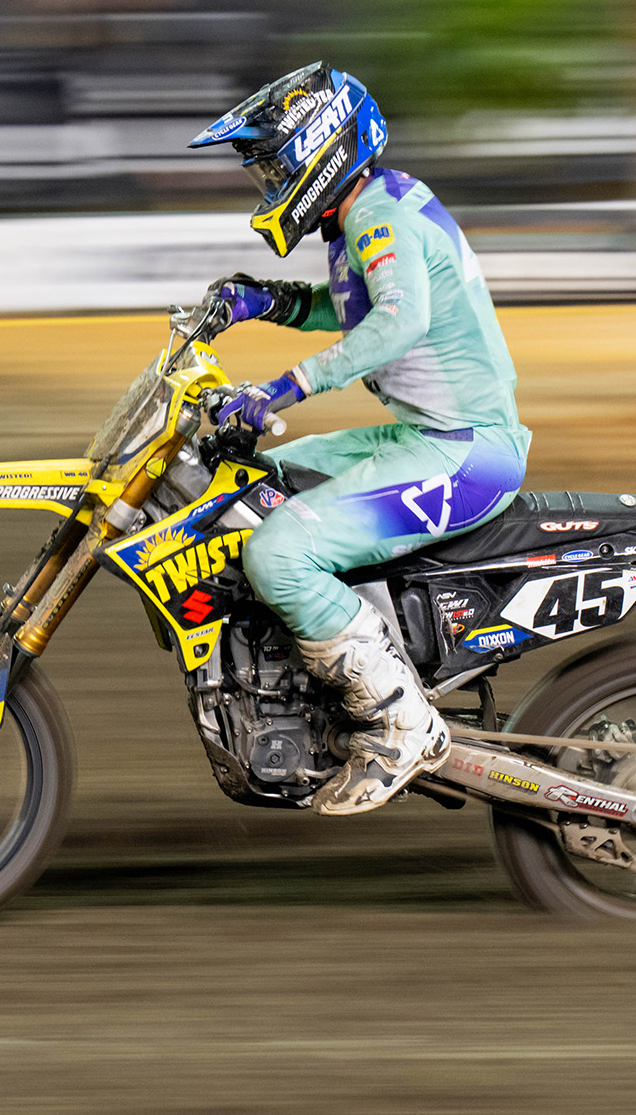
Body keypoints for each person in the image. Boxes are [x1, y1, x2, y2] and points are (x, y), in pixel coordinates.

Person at [187, 63, 529, 816]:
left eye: (275, 165)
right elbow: (354, 308)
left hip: (463, 453)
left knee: (278, 551)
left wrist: (285, 387)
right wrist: (267, 301)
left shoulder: (378, 217)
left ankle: (401, 722)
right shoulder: (370, 209)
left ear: (323, 148)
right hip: (430, 436)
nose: (269, 183)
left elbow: (397, 322)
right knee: (250, 482)